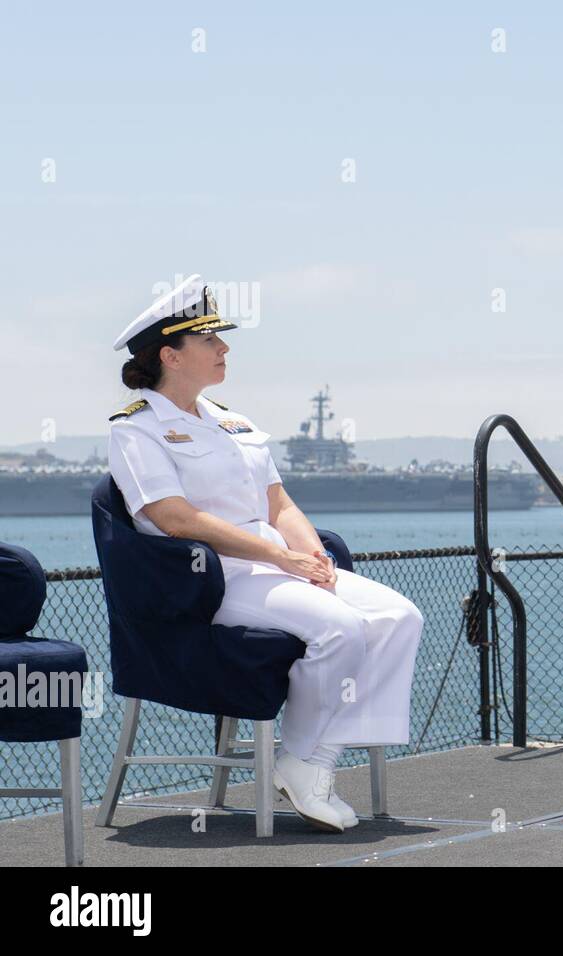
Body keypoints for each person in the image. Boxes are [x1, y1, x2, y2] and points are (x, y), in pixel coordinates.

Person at [106, 275, 424, 832]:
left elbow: (279, 504)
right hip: (211, 580)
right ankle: (305, 764)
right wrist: (282, 560)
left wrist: (313, 558)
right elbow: (175, 518)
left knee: (400, 616)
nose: (224, 348)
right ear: (169, 356)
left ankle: (311, 757)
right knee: (340, 630)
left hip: (274, 565)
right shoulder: (138, 432)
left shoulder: (236, 423)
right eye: (209, 341)